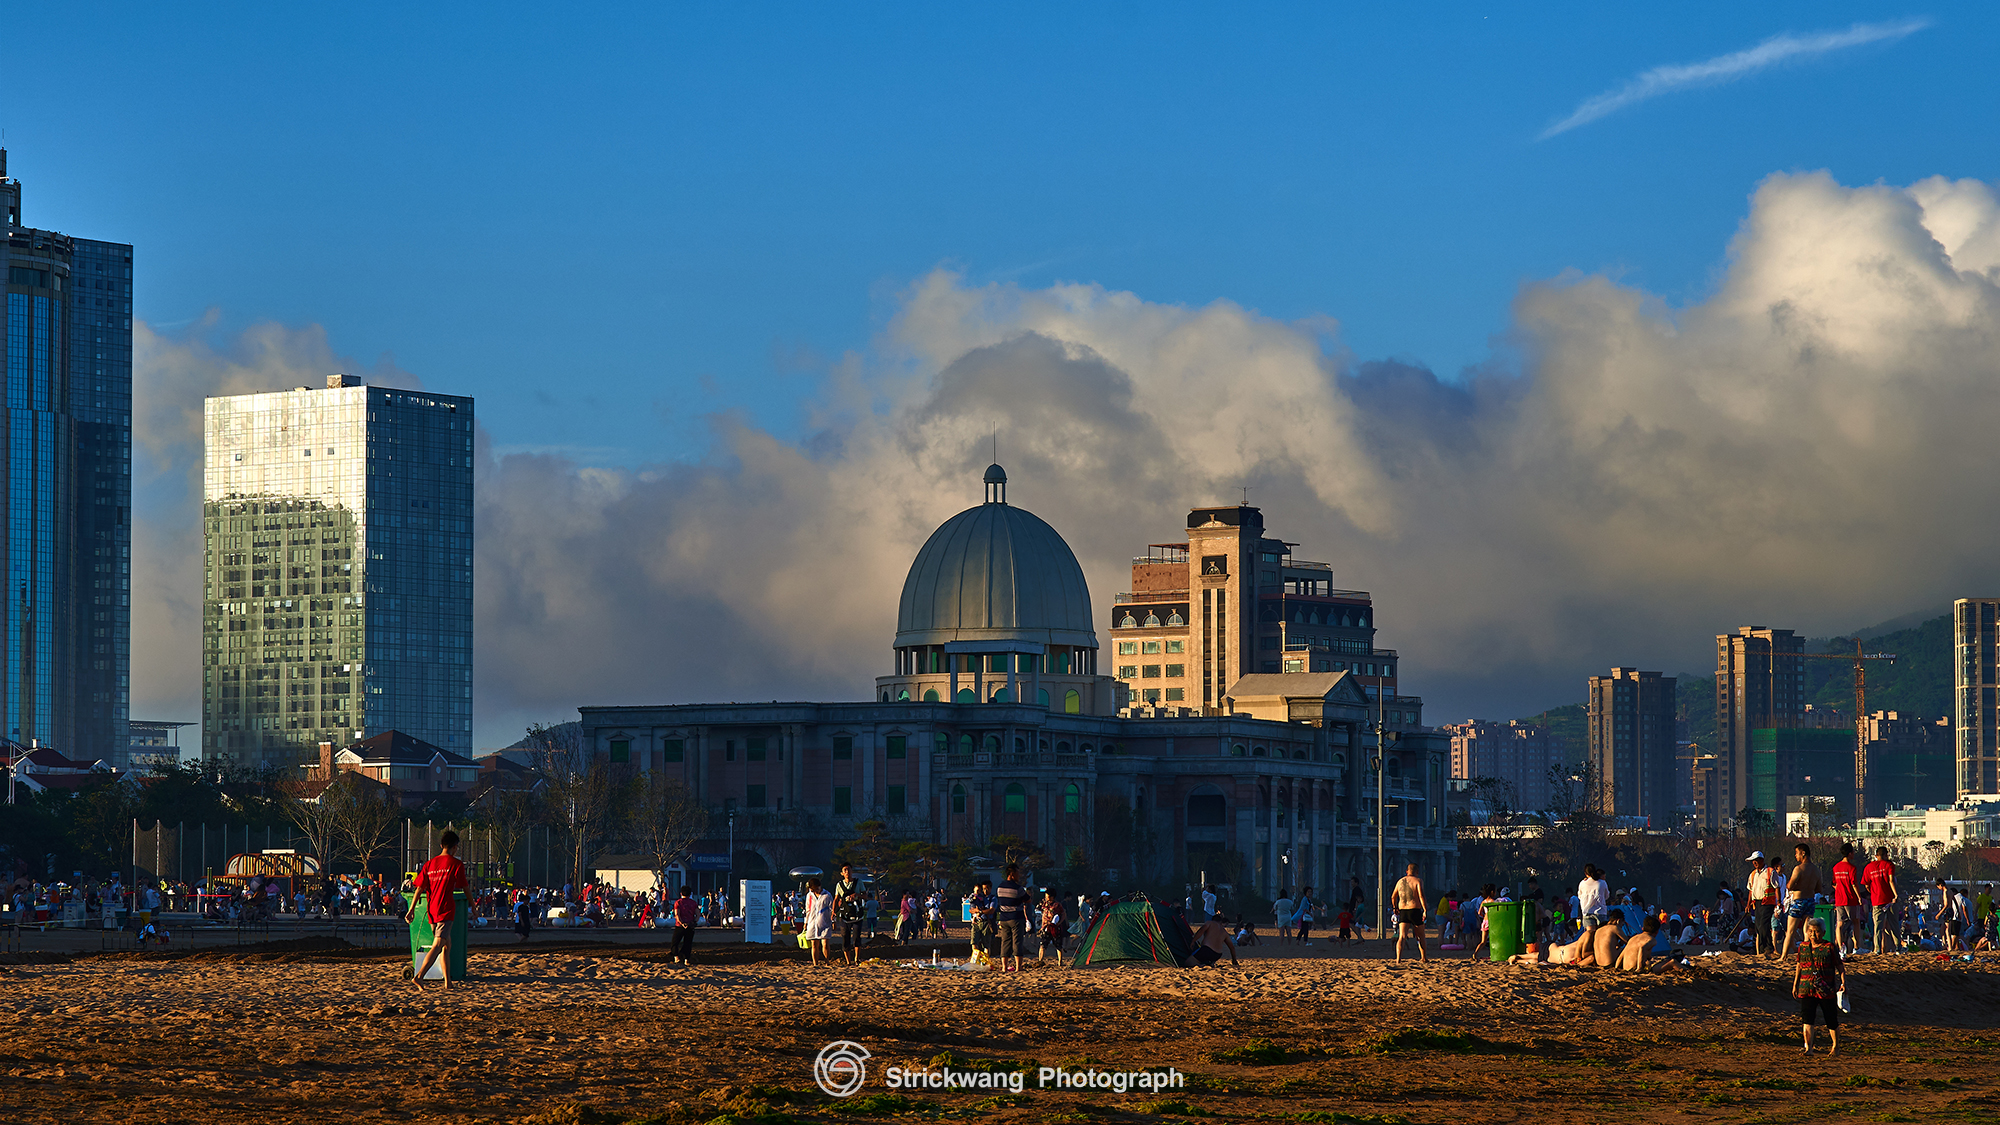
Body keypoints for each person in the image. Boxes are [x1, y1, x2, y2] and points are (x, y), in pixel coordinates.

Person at [408, 829, 469, 992]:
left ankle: (448, 982)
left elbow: (419, 889)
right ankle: (419, 976)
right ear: (455, 847)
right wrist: (474, 906)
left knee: (446, 946)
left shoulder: (429, 864)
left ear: (441, 845)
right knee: (438, 945)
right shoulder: (456, 864)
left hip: (432, 910)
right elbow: (465, 887)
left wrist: (411, 909)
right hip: (446, 910)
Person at [1793, 918, 1845, 1055]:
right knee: (1807, 1019)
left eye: (1816, 932)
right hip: (1806, 987)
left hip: (1826, 989)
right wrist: (1795, 985)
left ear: (1823, 932)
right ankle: (1808, 1048)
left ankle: (1836, 1046)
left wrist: (1844, 982)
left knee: (1831, 1019)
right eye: (1810, 931)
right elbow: (1799, 966)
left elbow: (1839, 966)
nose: (1813, 935)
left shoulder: (1829, 947)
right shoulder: (1803, 947)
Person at [1779, 844, 1824, 960]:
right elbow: (1819, 889)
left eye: (1797, 853)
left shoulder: (1798, 869)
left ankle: (1783, 956)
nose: (1795, 855)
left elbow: (1789, 886)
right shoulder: (1816, 870)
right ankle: (1806, 955)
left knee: (1790, 931)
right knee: (1807, 931)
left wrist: (1798, 886)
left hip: (1798, 901)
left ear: (1803, 853)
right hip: (1810, 900)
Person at [1391, 863, 1428, 963]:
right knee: (1420, 936)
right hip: (1415, 910)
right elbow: (1421, 895)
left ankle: (1398, 959)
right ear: (1417, 872)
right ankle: (1424, 958)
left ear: (1407, 871)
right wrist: (1425, 910)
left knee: (1402, 936)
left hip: (1403, 911)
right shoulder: (1418, 881)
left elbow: (1393, 896)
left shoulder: (1400, 882)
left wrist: (1395, 907)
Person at [994, 864, 1028, 971]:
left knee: (1005, 942)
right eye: (1018, 873)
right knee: (1017, 942)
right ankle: (1019, 966)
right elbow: (1027, 899)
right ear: (1012, 874)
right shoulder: (1018, 888)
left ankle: (1004, 966)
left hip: (1003, 918)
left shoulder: (1000, 887)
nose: (1019, 876)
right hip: (1016, 917)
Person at [1830, 842, 1861, 956]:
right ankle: (1856, 947)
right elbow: (1853, 884)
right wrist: (1859, 897)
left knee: (1839, 924)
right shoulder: (1852, 868)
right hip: (1851, 899)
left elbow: (1834, 883)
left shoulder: (1836, 867)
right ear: (1849, 853)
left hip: (1839, 899)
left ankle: (1840, 948)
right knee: (1856, 922)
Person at [1746, 851, 1780, 957]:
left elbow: (1776, 887)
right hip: (1757, 903)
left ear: (1762, 860)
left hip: (1768, 902)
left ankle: (1768, 947)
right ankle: (1762, 949)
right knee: (1758, 926)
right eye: (1753, 861)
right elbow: (1751, 890)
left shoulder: (1770, 872)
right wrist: (1748, 904)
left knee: (1764, 925)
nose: (1754, 863)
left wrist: (1778, 902)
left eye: (1756, 860)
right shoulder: (1752, 874)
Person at [832, 864, 866, 966]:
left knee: (857, 937)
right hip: (844, 915)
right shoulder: (839, 885)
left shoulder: (858, 882)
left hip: (857, 914)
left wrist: (857, 895)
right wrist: (833, 911)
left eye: (849, 870)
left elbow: (865, 895)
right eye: (845, 870)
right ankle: (848, 961)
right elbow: (836, 899)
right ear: (842, 873)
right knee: (845, 937)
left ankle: (857, 959)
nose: (847, 872)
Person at [803, 877, 833, 967]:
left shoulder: (827, 895)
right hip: (812, 921)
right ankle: (815, 963)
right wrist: (806, 922)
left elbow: (832, 909)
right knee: (814, 944)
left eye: (816, 889)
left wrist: (833, 921)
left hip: (824, 921)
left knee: (825, 943)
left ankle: (827, 962)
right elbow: (808, 909)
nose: (815, 891)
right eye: (812, 889)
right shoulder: (809, 895)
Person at [1577, 865, 1610, 935]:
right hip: (1600, 911)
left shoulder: (1582, 883)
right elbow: (1607, 896)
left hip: (1587, 911)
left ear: (1586, 873)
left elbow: (1580, 896)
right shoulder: (1602, 882)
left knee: (1590, 935)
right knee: (1601, 935)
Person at [671, 885, 698, 965]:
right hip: (690, 925)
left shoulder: (678, 902)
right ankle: (687, 959)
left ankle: (676, 957)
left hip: (680, 926)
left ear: (681, 893)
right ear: (690, 894)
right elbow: (698, 914)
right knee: (688, 943)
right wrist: (694, 922)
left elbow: (677, 914)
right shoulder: (693, 903)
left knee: (675, 942)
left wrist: (682, 923)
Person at [1037, 889, 1067, 960]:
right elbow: (1041, 914)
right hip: (1045, 927)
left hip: (1055, 927)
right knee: (1043, 944)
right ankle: (1040, 960)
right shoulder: (1043, 904)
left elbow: (1063, 914)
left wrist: (1059, 922)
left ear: (1052, 897)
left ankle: (1060, 961)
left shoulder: (1057, 905)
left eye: (1047, 896)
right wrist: (1041, 927)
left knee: (1058, 945)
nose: (1046, 897)